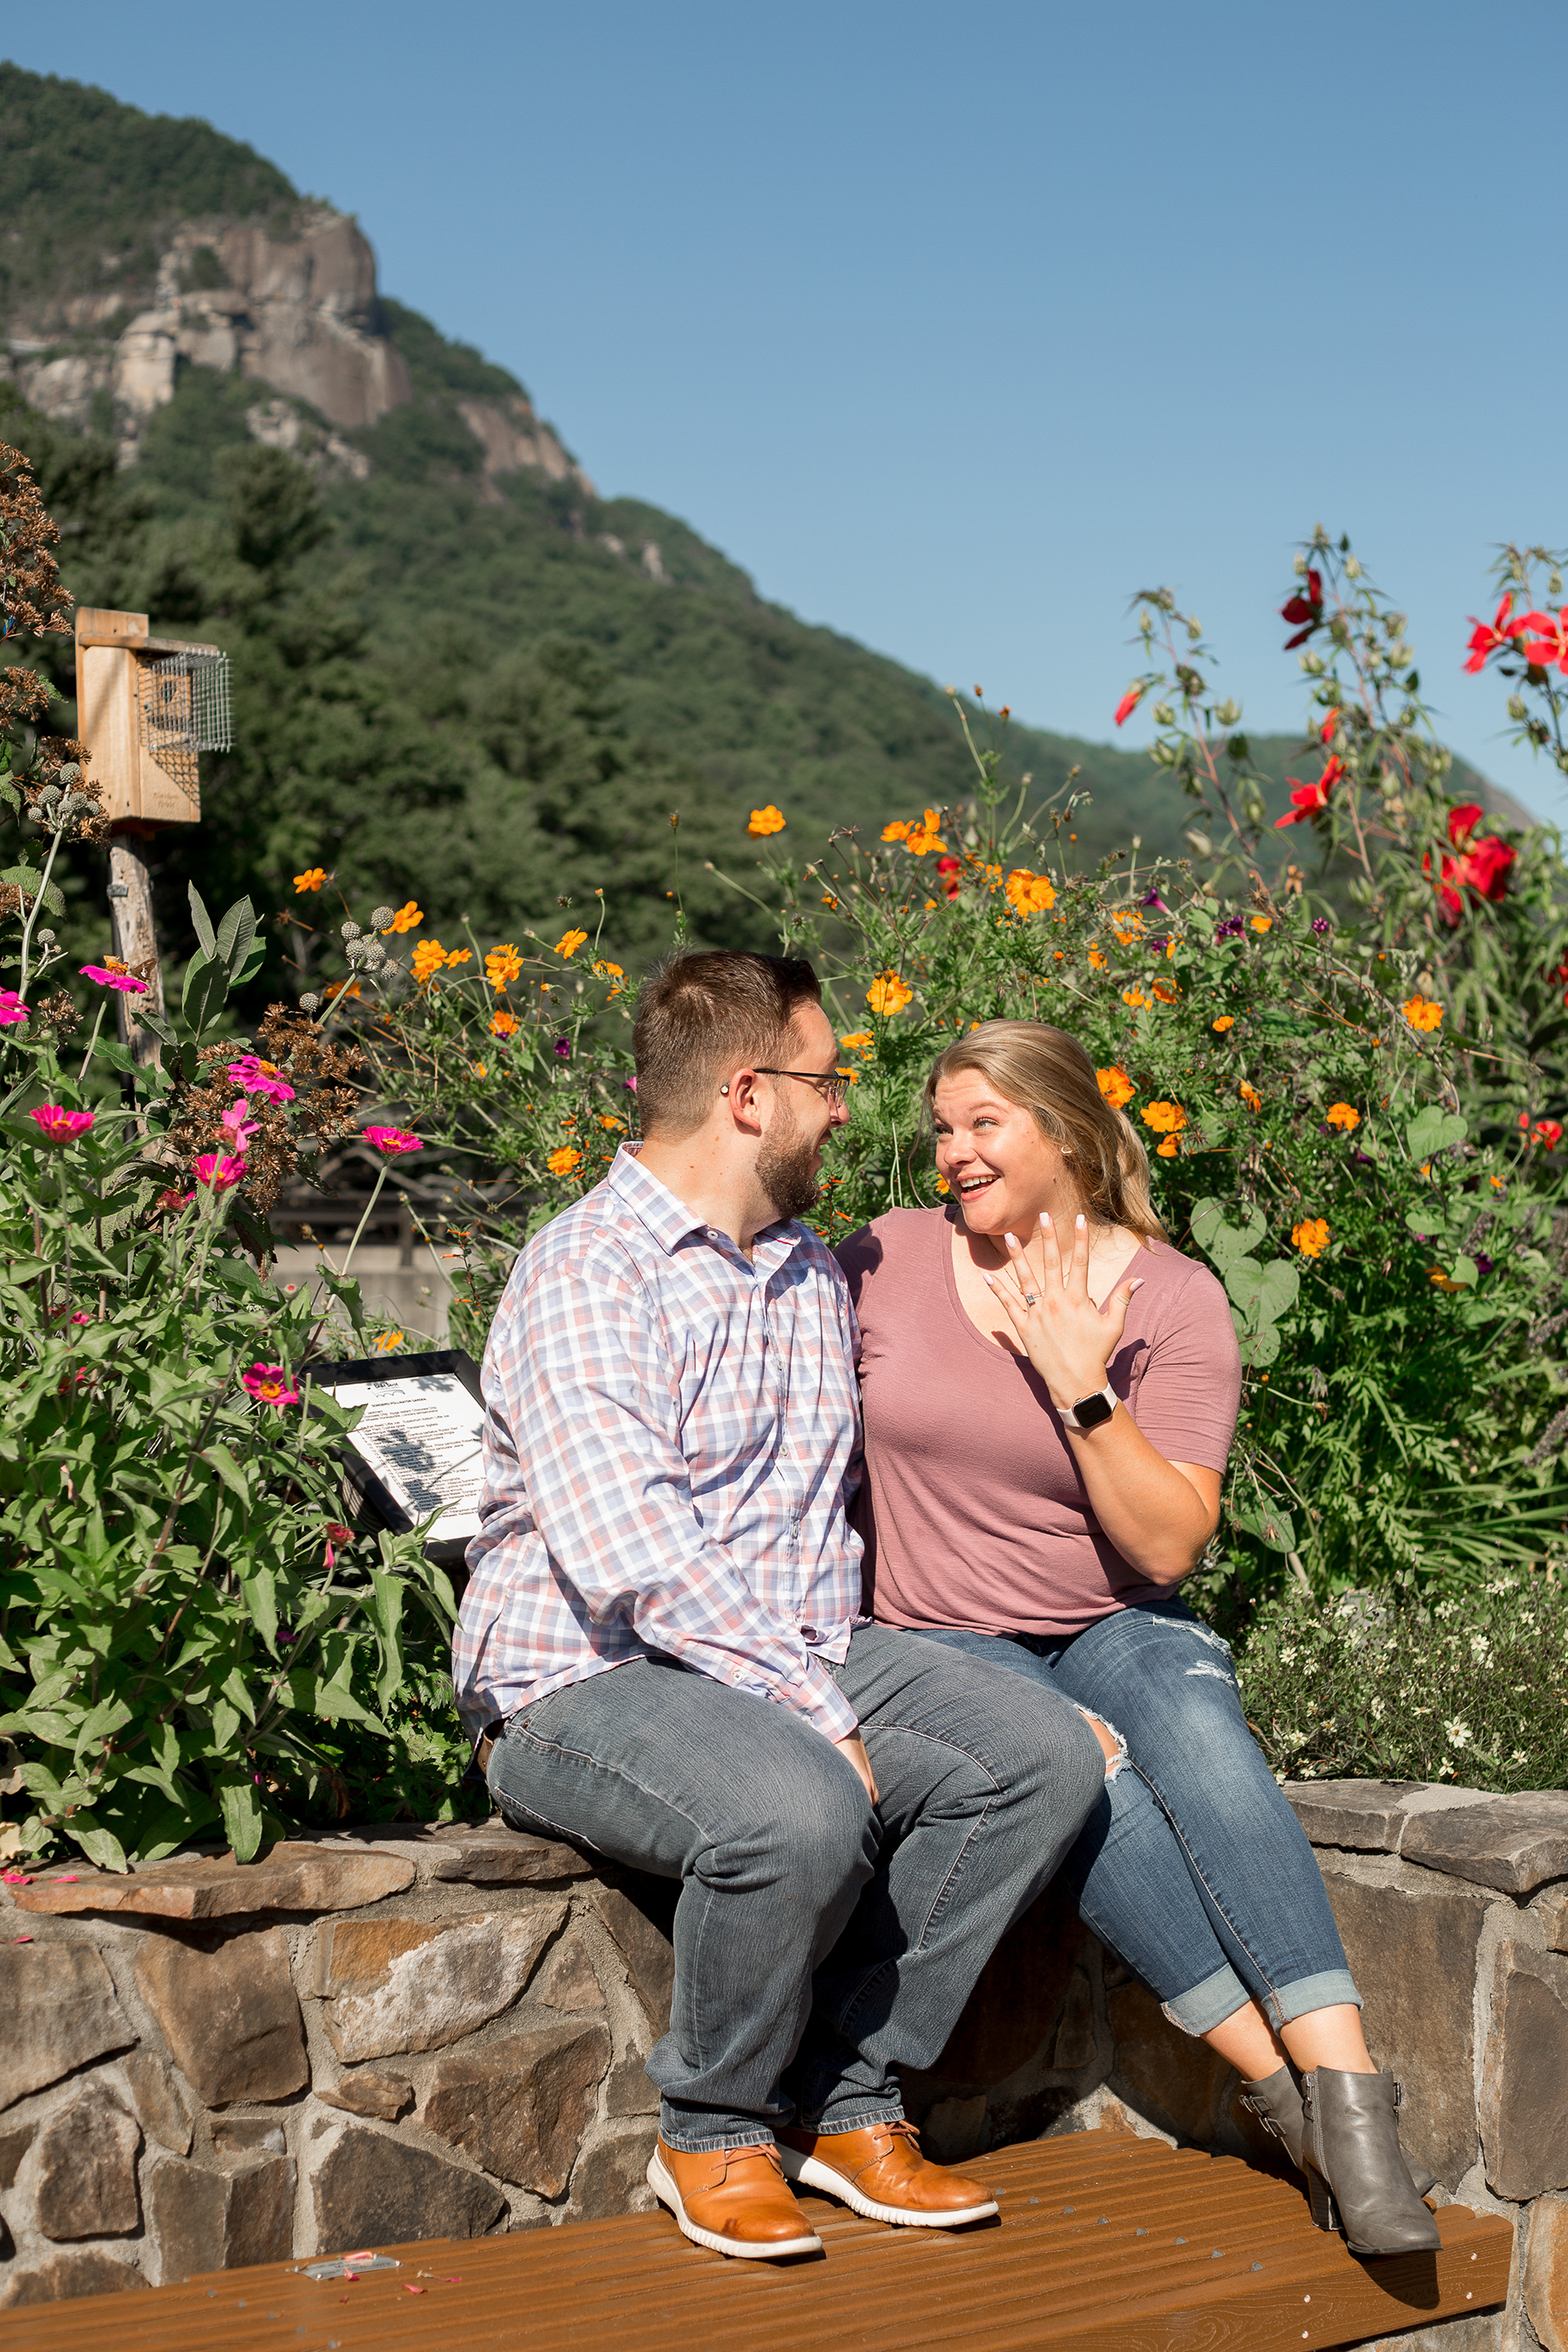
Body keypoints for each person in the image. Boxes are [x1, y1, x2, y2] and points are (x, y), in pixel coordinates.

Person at [453, 958, 1105, 2261]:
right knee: (794, 1809)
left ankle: (847, 2096)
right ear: (749, 1095)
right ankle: (710, 2130)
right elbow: (631, 1551)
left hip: (789, 1650)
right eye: (828, 1080)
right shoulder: (588, 1270)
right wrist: (815, 1712)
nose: (848, 1110)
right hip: (584, 1678)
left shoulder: (809, 1271)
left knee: (1039, 1756)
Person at [835, 1018, 1440, 2261]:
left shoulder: (1171, 1295)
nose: (952, 1150)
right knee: (1087, 1772)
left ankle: (1350, 2098)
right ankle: (1286, 2095)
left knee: (1201, 1734)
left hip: (1115, 1615)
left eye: (983, 1123)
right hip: (943, 1637)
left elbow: (1167, 1548)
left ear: (1062, 1130)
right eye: (942, 1127)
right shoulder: (884, 1259)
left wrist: (1079, 1385)